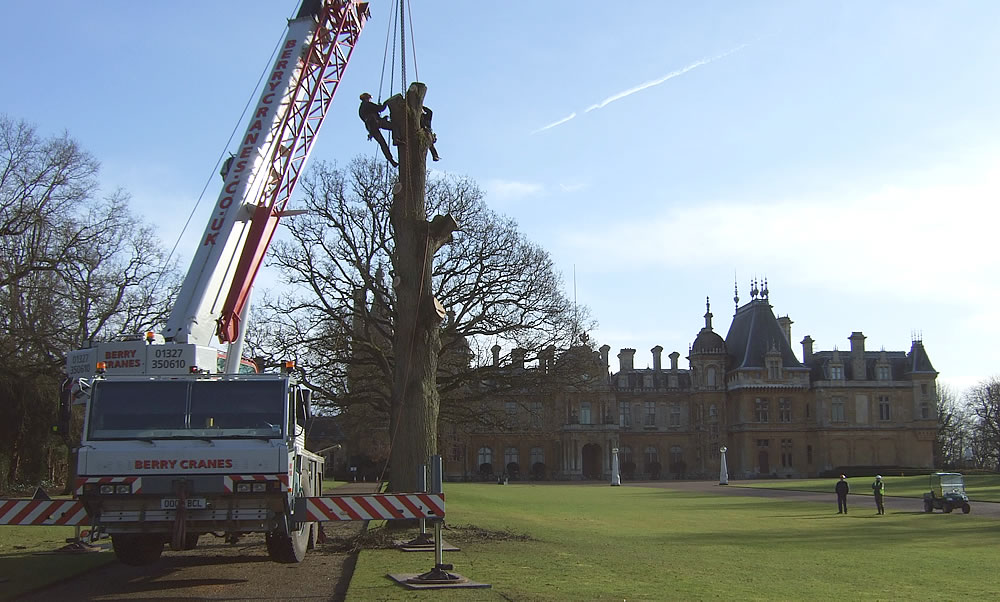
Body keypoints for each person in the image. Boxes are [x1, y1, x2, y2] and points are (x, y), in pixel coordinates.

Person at [358, 92, 397, 167]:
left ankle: (391, 160)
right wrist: (386, 102)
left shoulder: (361, 109)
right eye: (369, 98)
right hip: (376, 122)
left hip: (371, 127)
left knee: (382, 143)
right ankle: (396, 139)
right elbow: (381, 109)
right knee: (394, 126)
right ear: (366, 98)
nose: (370, 99)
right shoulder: (367, 104)